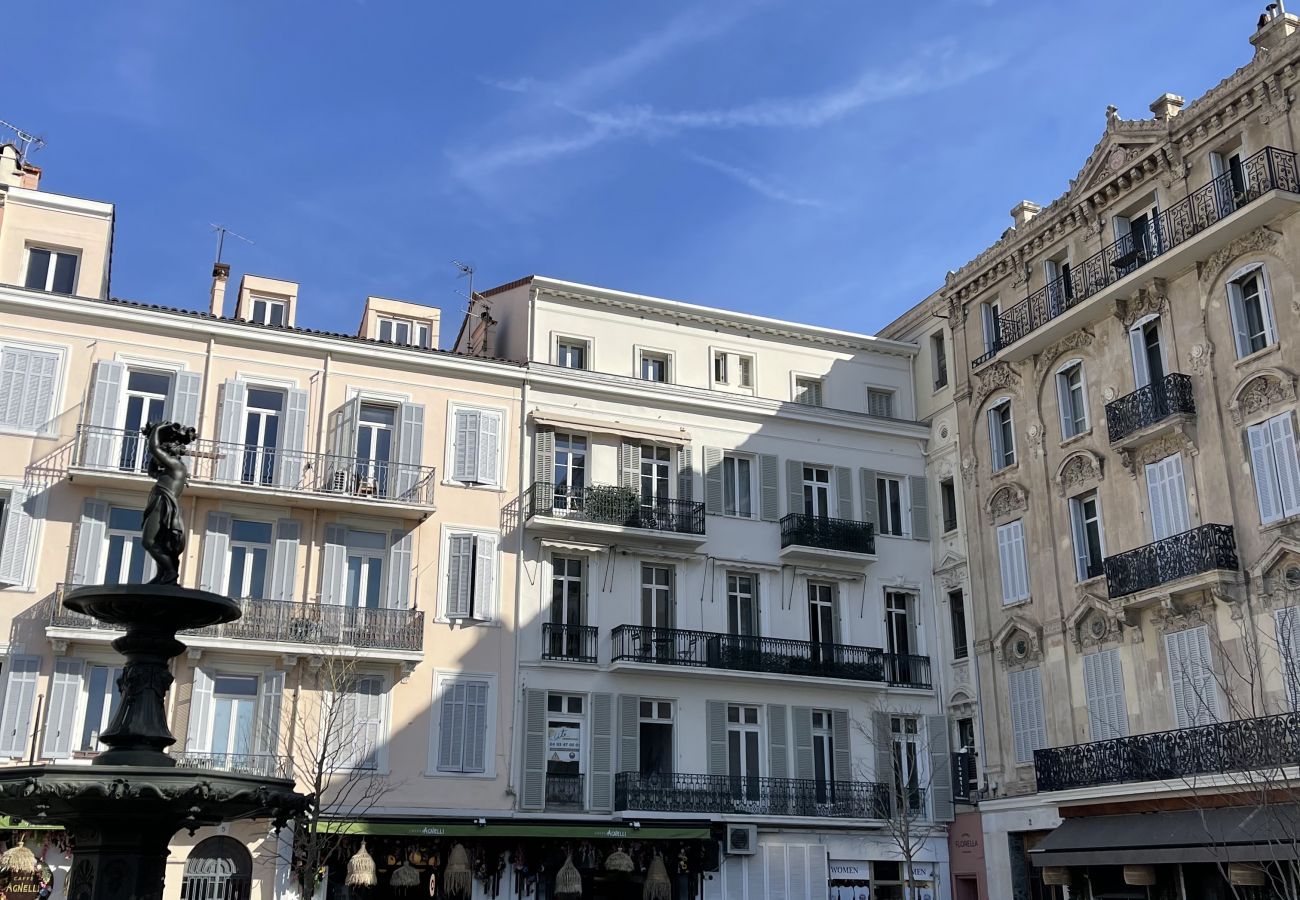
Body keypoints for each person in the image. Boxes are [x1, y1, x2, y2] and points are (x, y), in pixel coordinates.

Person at [141, 421, 195, 584]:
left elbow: (154, 449)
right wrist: (155, 457)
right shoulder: (170, 471)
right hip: (160, 503)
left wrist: (156, 430)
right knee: (160, 543)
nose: (163, 451)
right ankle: (162, 575)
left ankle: (170, 571)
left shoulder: (176, 467)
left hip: (163, 505)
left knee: (149, 541)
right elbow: (152, 472)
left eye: (166, 447)